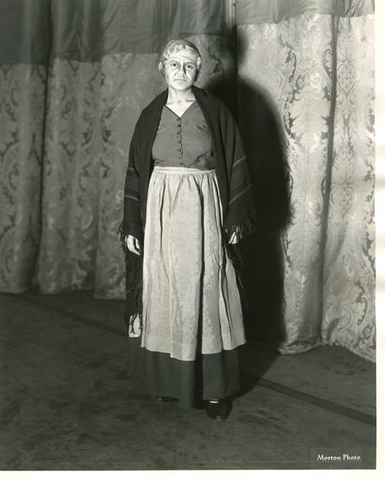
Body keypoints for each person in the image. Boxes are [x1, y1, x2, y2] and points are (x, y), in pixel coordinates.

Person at [119, 39, 256, 420]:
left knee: (208, 287)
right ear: (161, 67)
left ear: (199, 71)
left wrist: (234, 220)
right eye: (174, 63)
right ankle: (167, 384)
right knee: (164, 289)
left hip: (205, 206)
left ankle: (215, 390)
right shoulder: (150, 116)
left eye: (190, 65)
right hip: (160, 209)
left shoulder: (215, 110)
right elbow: (134, 171)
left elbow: (235, 161)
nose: (181, 71)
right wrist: (132, 224)